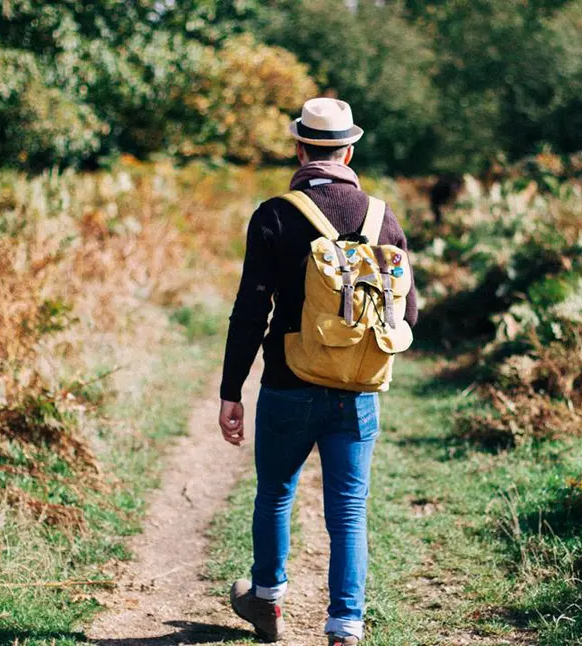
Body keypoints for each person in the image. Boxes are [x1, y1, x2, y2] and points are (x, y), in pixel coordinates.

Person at [218, 97, 418, 646]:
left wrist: (231, 390)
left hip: (287, 383)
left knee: (276, 493)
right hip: (355, 392)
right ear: (350, 149)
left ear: (300, 147)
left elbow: (250, 310)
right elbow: (411, 313)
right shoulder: (383, 218)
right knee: (349, 511)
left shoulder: (276, 214)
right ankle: (345, 627)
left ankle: (266, 603)